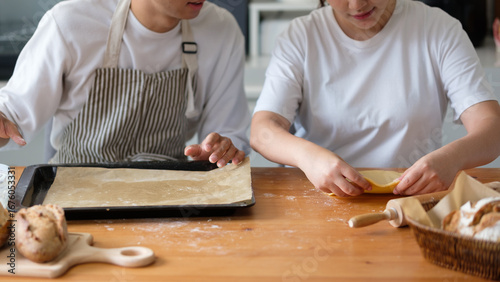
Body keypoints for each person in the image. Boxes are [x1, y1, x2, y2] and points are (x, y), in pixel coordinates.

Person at [250, 0, 500, 196]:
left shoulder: (438, 29)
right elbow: (262, 131)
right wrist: (308, 157)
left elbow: (492, 129)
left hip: (411, 201)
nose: (357, 4)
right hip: (321, 199)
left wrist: (451, 159)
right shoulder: (301, 36)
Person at [0, 0, 250, 167]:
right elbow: (12, 119)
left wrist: (218, 152)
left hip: (168, 197)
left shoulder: (222, 30)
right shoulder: (71, 22)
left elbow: (227, 134)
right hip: (74, 195)